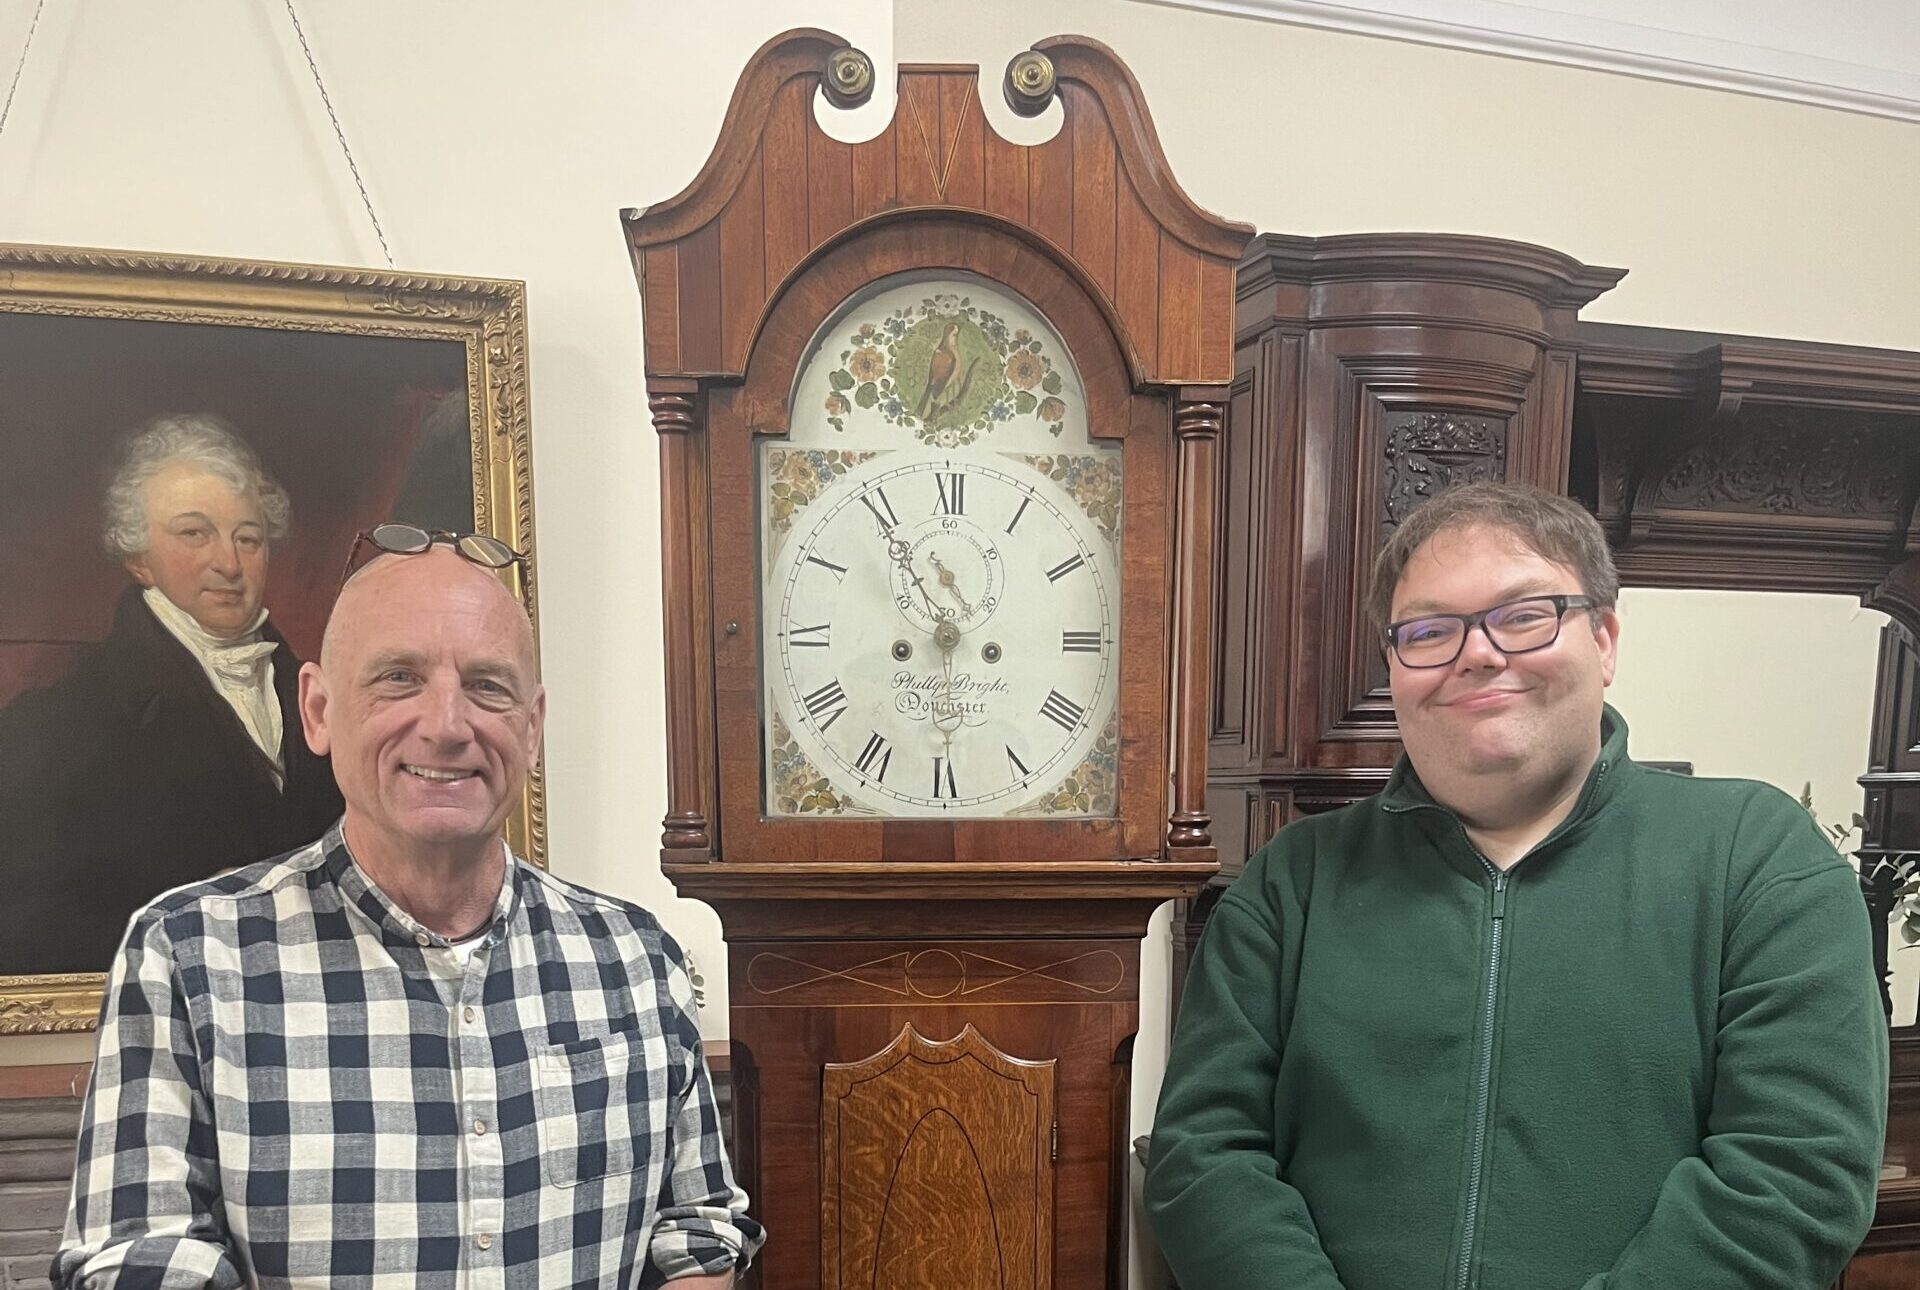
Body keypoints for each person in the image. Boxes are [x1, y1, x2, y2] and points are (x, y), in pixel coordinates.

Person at [1145, 481, 1887, 1289]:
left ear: (1604, 639)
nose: (1478, 653)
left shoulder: (1757, 857)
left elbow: (1794, 1174)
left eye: (1525, 615)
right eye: (1429, 630)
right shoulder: (1293, 881)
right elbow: (1205, 1156)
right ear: (1394, 668)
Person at [55, 532, 762, 1288]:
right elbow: (144, 1259)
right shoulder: (189, 958)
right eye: (399, 678)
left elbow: (695, 1231)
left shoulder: (634, 959)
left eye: (488, 686)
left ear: (531, 728)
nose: (446, 724)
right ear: (318, 710)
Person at [0, 414, 342, 975]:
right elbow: (33, 934)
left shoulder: (329, 697)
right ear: (139, 557)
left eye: (248, 538)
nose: (228, 563)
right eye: (193, 534)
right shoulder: (56, 727)